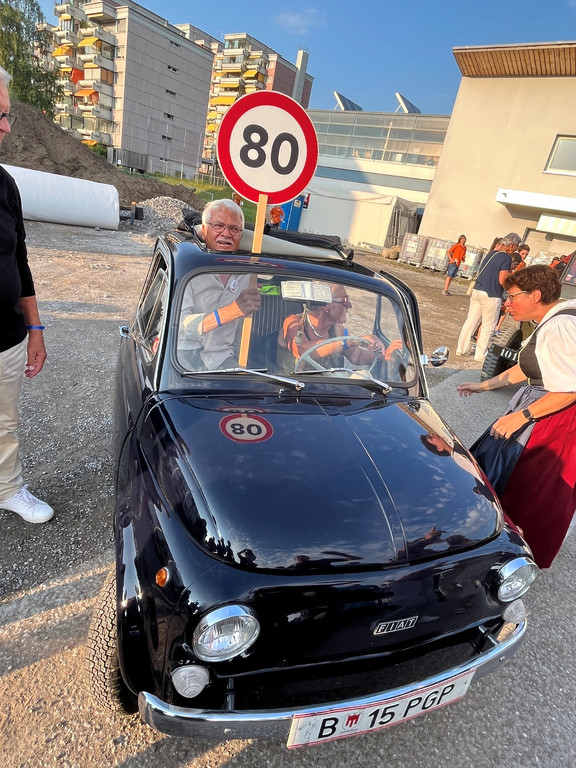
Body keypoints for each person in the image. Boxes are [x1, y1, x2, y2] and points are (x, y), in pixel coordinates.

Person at [457, 265, 576, 569]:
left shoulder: (558, 327)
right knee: (515, 479)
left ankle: (513, 558)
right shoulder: (557, 316)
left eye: (512, 296)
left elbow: (568, 389)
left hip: (555, 417)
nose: (507, 303)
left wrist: (520, 416)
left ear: (535, 295)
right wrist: (484, 385)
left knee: (528, 487)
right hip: (547, 407)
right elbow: (531, 366)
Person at [0, 68, 53, 523]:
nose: (5, 126)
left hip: (8, 336)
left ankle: (8, 488)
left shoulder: (6, 185)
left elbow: (21, 262)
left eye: (7, 115)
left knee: (5, 425)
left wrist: (35, 329)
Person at [179, 199, 260, 370]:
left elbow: (240, 332)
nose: (226, 233)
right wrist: (232, 311)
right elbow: (179, 326)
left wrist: (241, 368)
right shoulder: (189, 267)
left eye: (234, 229)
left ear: (240, 234)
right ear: (204, 229)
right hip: (181, 357)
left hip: (222, 359)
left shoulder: (248, 273)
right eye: (218, 226)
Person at [277, 284, 401, 371]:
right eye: (344, 300)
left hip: (325, 394)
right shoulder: (293, 322)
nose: (350, 305)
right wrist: (352, 340)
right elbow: (302, 351)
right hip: (288, 393)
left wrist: (381, 356)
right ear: (325, 306)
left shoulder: (337, 330)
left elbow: (356, 356)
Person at [456, 232, 520, 362]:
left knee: (471, 321)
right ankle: (480, 354)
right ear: (512, 245)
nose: (516, 250)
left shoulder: (492, 253)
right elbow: (502, 279)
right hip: (492, 294)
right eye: (516, 247)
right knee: (488, 326)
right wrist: (509, 290)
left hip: (478, 290)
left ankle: (461, 349)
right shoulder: (506, 258)